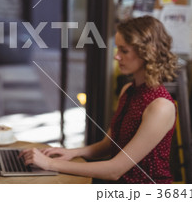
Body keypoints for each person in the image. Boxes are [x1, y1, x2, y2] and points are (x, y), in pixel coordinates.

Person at [20, 15, 178, 183]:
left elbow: (115, 170)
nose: (117, 57)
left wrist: (50, 164)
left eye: (124, 51)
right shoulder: (129, 90)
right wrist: (73, 152)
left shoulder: (160, 107)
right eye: (118, 49)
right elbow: (109, 144)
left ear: (148, 52)